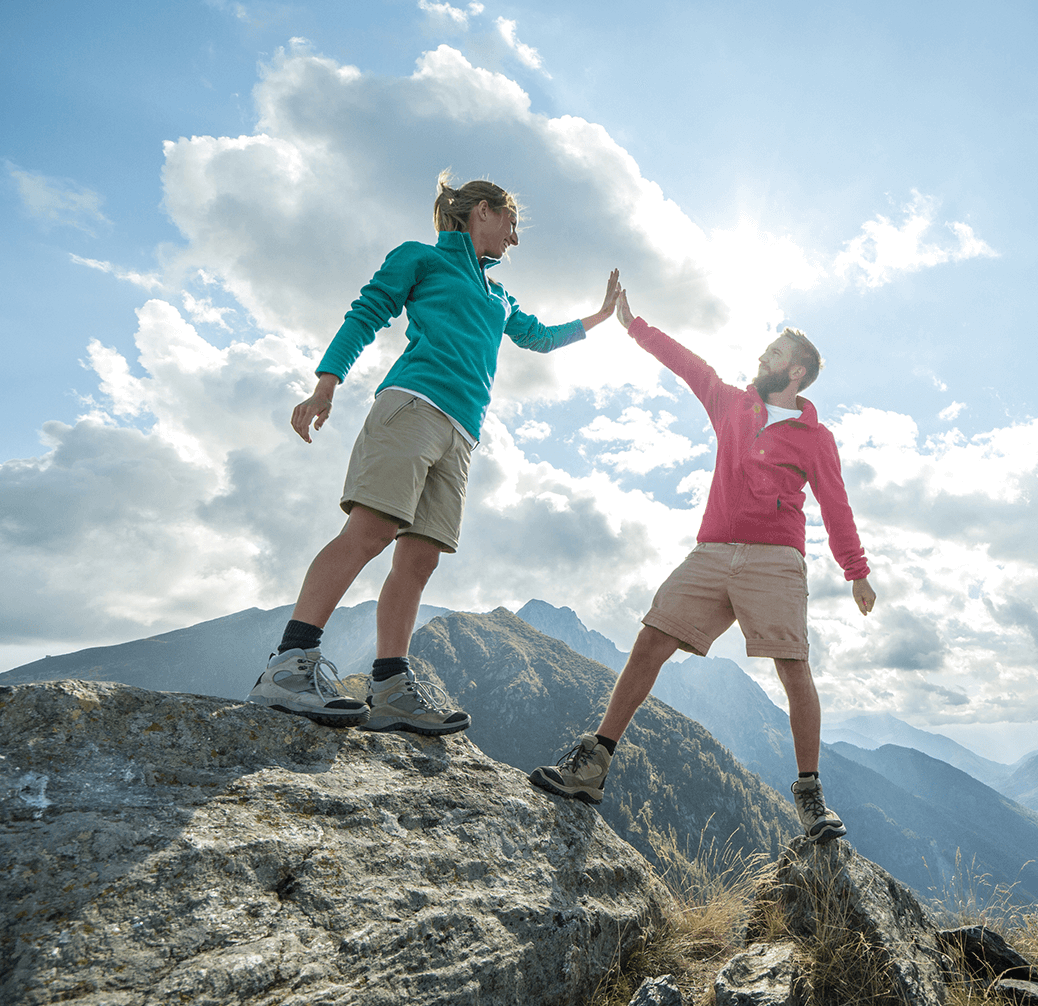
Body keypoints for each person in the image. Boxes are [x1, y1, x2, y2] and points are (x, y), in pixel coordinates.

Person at [248, 171, 618, 734]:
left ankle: (391, 687)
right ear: (485, 212)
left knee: (419, 561)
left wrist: (599, 317)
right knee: (369, 532)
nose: (514, 240)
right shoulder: (421, 257)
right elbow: (367, 311)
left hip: (461, 433)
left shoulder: (499, 294)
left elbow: (537, 337)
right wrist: (327, 382)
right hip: (413, 407)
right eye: (512, 224)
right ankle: (289, 665)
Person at [530, 289, 876, 843]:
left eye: (774, 352)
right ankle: (593, 765)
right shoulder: (733, 405)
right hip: (712, 553)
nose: (762, 357)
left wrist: (855, 570)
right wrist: (634, 326)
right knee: (650, 641)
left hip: (775, 560)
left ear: (797, 370)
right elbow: (690, 365)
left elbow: (836, 504)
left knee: (792, 668)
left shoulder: (816, 439)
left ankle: (810, 797)